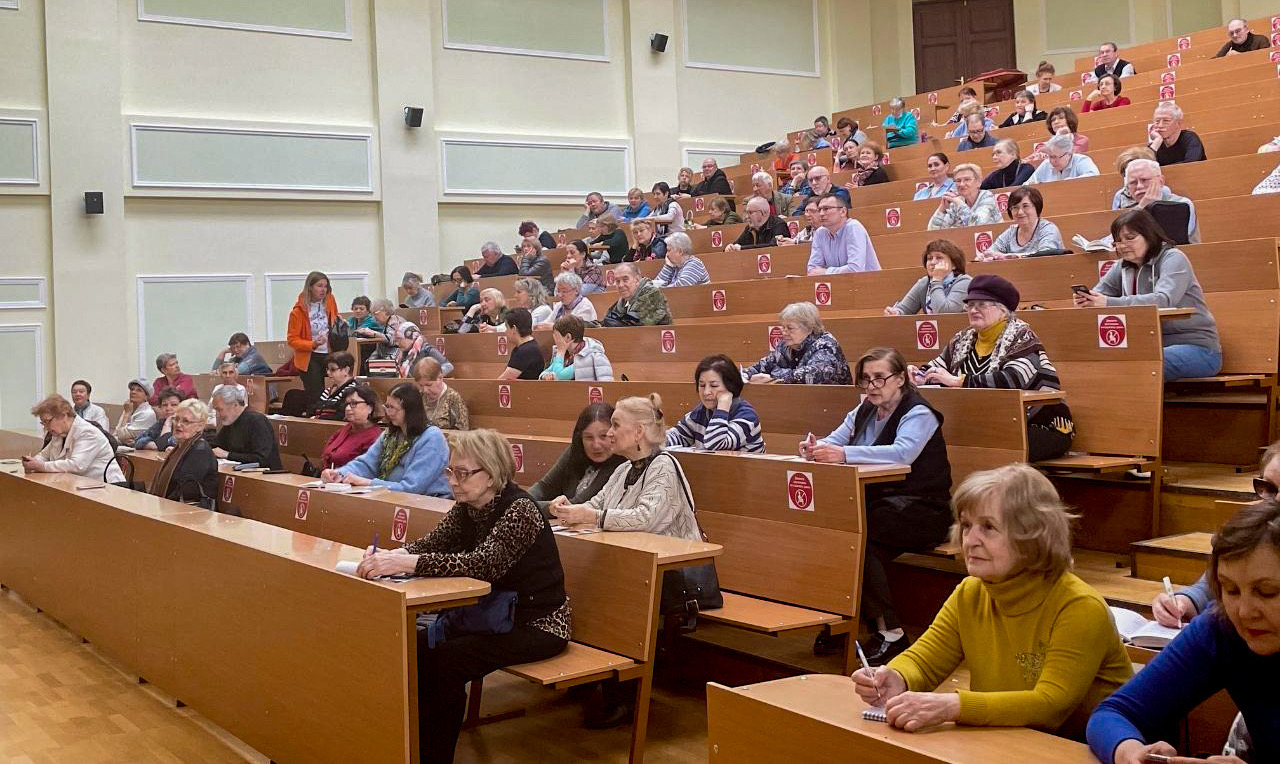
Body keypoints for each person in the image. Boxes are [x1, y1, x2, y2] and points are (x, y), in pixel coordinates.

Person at [855, 463, 1133, 735]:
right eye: (966, 525)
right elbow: (924, 660)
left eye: (988, 527)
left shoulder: (1080, 607)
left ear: (1032, 536)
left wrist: (953, 706)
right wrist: (896, 677)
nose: (970, 539)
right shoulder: (971, 591)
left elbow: (1050, 705)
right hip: (1010, 742)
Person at [357, 428, 569, 763]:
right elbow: (431, 544)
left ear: (492, 474)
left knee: (444, 662)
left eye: (463, 473)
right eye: (450, 471)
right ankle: (406, 745)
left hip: (537, 624)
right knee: (418, 649)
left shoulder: (520, 510)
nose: (453, 481)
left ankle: (432, 756)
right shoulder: (468, 506)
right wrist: (391, 556)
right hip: (494, 617)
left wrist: (406, 561)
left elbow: (482, 565)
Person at [1087, 498, 1280, 763]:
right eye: (1230, 589)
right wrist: (1131, 753)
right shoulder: (1220, 628)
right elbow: (1113, 713)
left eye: (1267, 592)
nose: (1244, 611)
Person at [804, 348, 954, 659]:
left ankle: (891, 633)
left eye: (879, 378)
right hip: (881, 505)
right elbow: (834, 440)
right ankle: (844, 623)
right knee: (837, 530)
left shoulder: (919, 413)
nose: (872, 386)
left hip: (924, 508)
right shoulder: (863, 409)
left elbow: (902, 454)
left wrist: (842, 455)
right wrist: (815, 448)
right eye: (866, 379)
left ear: (900, 379)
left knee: (860, 537)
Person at [913, 275, 1074, 461]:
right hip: (989, 425)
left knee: (987, 444)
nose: (973, 310)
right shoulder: (962, 339)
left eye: (982, 304)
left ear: (1003, 310)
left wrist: (959, 381)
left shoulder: (1023, 336)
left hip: (1042, 426)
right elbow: (937, 366)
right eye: (970, 304)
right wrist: (920, 374)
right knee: (949, 439)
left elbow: (1012, 379)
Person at [1074, 209, 1221, 381]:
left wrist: (1107, 302)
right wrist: (1087, 300)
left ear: (1149, 235)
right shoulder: (1122, 265)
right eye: (1118, 241)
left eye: (1130, 238)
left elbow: (1163, 300)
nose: (1122, 246)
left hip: (1198, 347)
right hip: (1148, 346)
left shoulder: (1173, 258)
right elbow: (1100, 294)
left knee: (1144, 364)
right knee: (1093, 362)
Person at [1150, 442, 1280, 629]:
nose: (1275, 501)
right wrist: (1183, 603)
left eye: (1267, 592)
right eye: (1268, 488)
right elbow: (1209, 587)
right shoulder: (1254, 534)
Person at [321, 382, 450, 496]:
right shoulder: (391, 434)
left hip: (428, 502)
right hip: (391, 497)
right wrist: (339, 474)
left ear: (410, 410)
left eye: (392, 408)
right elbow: (366, 464)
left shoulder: (432, 437)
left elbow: (412, 488)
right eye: (387, 407)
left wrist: (369, 483)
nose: (388, 413)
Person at [527, 402, 625, 511]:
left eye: (603, 436)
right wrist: (522, 501)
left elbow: (574, 506)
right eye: (588, 437)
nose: (596, 445)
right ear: (580, 438)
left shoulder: (621, 464)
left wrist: (539, 507)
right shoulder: (575, 451)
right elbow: (544, 487)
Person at [666, 354, 764, 452]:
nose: (706, 392)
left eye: (713, 386)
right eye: (702, 385)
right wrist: (654, 439)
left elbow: (715, 446)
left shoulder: (747, 416)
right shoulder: (701, 411)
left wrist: (722, 407)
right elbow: (677, 436)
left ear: (730, 387)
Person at [743, 302, 852, 385]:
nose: (784, 332)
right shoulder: (785, 345)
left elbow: (810, 376)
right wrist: (745, 375)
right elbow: (763, 365)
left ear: (809, 328)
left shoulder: (825, 344)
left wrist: (773, 376)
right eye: (783, 327)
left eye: (790, 328)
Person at [25, 394, 124, 483]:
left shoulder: (87, 432)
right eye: (43, 423)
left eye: (48, 421)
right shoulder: (59, 434)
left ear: (63, 415)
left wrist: (42, 466)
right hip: (81, 486)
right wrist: (33, 462)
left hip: (108, 488)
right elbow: (43, 455)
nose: (46, 427)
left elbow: (76, 465)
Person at [1111, 158, 1200, 244]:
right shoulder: (1125, 207)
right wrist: (1142, 206)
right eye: (1133, 182)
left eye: (1144, 180)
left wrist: (1145, 207)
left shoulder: (1181, 204)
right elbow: (1119, 239)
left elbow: (1169, 242)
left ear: (1161, 181)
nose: (1139, 186)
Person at [150, 398, 218, 503]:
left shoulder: (200, 451)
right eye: (176, 419)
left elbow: (185, 489)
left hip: (191, 512)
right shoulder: (180, 447)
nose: (178, 424)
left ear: (200, 426)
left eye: (185, 421)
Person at [286, 270, 339, 405]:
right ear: (310, 287)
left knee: (335, 390)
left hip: (329, 352)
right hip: (309, 357)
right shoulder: (297, 312)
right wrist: (312, 344)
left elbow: (335, 318)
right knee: (316, 394)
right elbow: (292, 340)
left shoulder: (330, 300)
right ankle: (312, 417)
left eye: (325, 286)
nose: (323, 290)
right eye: (319, 286)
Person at [885, 240, 972, 315]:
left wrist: (937, 280)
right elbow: (904, 309)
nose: (933, 262)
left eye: (939, 258)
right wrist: (897, 312)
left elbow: (944, 314)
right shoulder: (924, 282)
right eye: (929, 258)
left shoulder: (965, 282)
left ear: (953, 265)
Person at [210, 386, 282, 469]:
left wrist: (228, 455)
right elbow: (216, 444)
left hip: (266, 476)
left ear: (235, 405)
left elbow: (262, 459)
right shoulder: (231, 421)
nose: (218, 415)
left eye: (219, 410)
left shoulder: (257, 421)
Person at [807, 194, 880, 274]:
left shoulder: (854, 227)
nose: (821, 213)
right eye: (819, 210)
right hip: (837, 284)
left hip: (868, 283)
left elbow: (855, 269)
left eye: (826, 209)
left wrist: (826, 272)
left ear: (843, 211)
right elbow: (812, 269)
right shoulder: (820, 233)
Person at [320, 385, 383, 470]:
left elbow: (365, 469)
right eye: (346, 404)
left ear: (370, 408)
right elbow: (327, 453)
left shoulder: (375, 436)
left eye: (354, 403)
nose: (347, 408)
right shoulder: (346, 429)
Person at [927, 163, 1000, 230]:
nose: (961, 184)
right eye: (958, 181)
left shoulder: (987, 197)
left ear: (979, 182)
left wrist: (959, 204)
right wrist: (942, 209)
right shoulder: (956, 202)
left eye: (967, 179)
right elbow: (932, 230)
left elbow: (977, 225)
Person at [539, 315, 613, 381]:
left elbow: (560, 376)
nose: (555, 340)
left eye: (557, 336)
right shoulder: (566, 354)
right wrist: (545, 376)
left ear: (568, 337)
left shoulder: (591, 356)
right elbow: (546, 372)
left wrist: (560, 352)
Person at [603, 263, 672, 326]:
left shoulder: (652, 293)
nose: (620, 285)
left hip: (656, 338)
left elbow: (632, 322)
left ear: (637, 280)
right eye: (617, 281)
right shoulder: (624, 300)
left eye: (625, 280)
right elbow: (609, 319)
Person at [413, 357, 469, 431]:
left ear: (440, 378)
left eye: (429, 385)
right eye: (421, 385)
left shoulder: (453, 399)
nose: (425, 390)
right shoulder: (419, 396)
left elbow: (463, 434)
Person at [1026, 133, 1100, 184]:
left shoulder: (1081, 160)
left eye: (1055, 157)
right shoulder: (1046, 163)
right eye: (1050, 157)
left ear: (1069, 153)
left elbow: (1094, 177)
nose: (1052, 161)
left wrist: (1067, 182)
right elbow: (1028, 184)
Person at [1148, 102, 1206, 166]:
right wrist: (1157, 141)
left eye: (1166, 121)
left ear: (1179, 123)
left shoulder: (1190, 138)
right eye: (1157, 121)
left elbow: (1191, 164)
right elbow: (1143, 167)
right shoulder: (1155, 145)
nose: (1160, 125)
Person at [497, 308, 545, 381]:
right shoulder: (523, 348)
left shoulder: (527, 351)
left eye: (507, 328)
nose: (505, 332)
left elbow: (503, 380)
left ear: (514, 329)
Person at [310, 351, 361, 420]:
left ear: (346, 370)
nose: (328, 373)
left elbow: (340, 416)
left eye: (333, 369)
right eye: (327, 369)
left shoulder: (353, 390)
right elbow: (314, 409)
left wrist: (317, 418)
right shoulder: (328, 390)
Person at [114, 379, 157, 446]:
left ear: (147, 397)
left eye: (139, 390)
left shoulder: (148, 413)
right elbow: (116, 434)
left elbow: (121, 436)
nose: (133, 392)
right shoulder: (128, 408)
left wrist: (126, 414)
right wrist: (122, 439)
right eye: (132, 389)